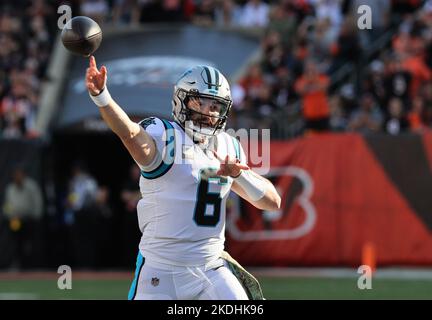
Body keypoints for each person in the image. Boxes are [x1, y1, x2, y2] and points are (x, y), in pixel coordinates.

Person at [85, 56, 281, 300]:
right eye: (204, 104)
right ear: (183, 101)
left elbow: (272, 202)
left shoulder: (228, 147)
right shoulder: (164, 136)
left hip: (211, 267)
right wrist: (102, 97)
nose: (211, 113)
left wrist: (241, 175)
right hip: (160, 270)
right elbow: (130, 133)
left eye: (217, 106)